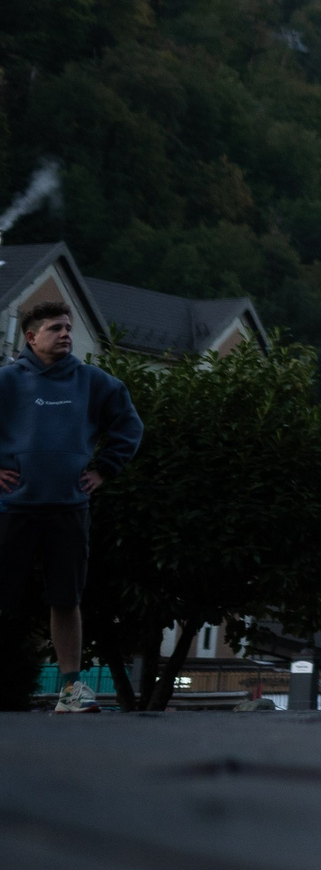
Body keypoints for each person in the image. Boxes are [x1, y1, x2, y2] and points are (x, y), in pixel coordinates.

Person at [0, 299, 142, 713]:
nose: (65, 334)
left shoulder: (93, 382)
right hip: (13, 508)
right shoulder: (7, 381)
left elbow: (129, 425)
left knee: (66, 598)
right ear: (30, 337)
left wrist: (104, 469)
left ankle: (71, 690)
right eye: (54, 328)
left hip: (68, 507)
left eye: (67, 328)